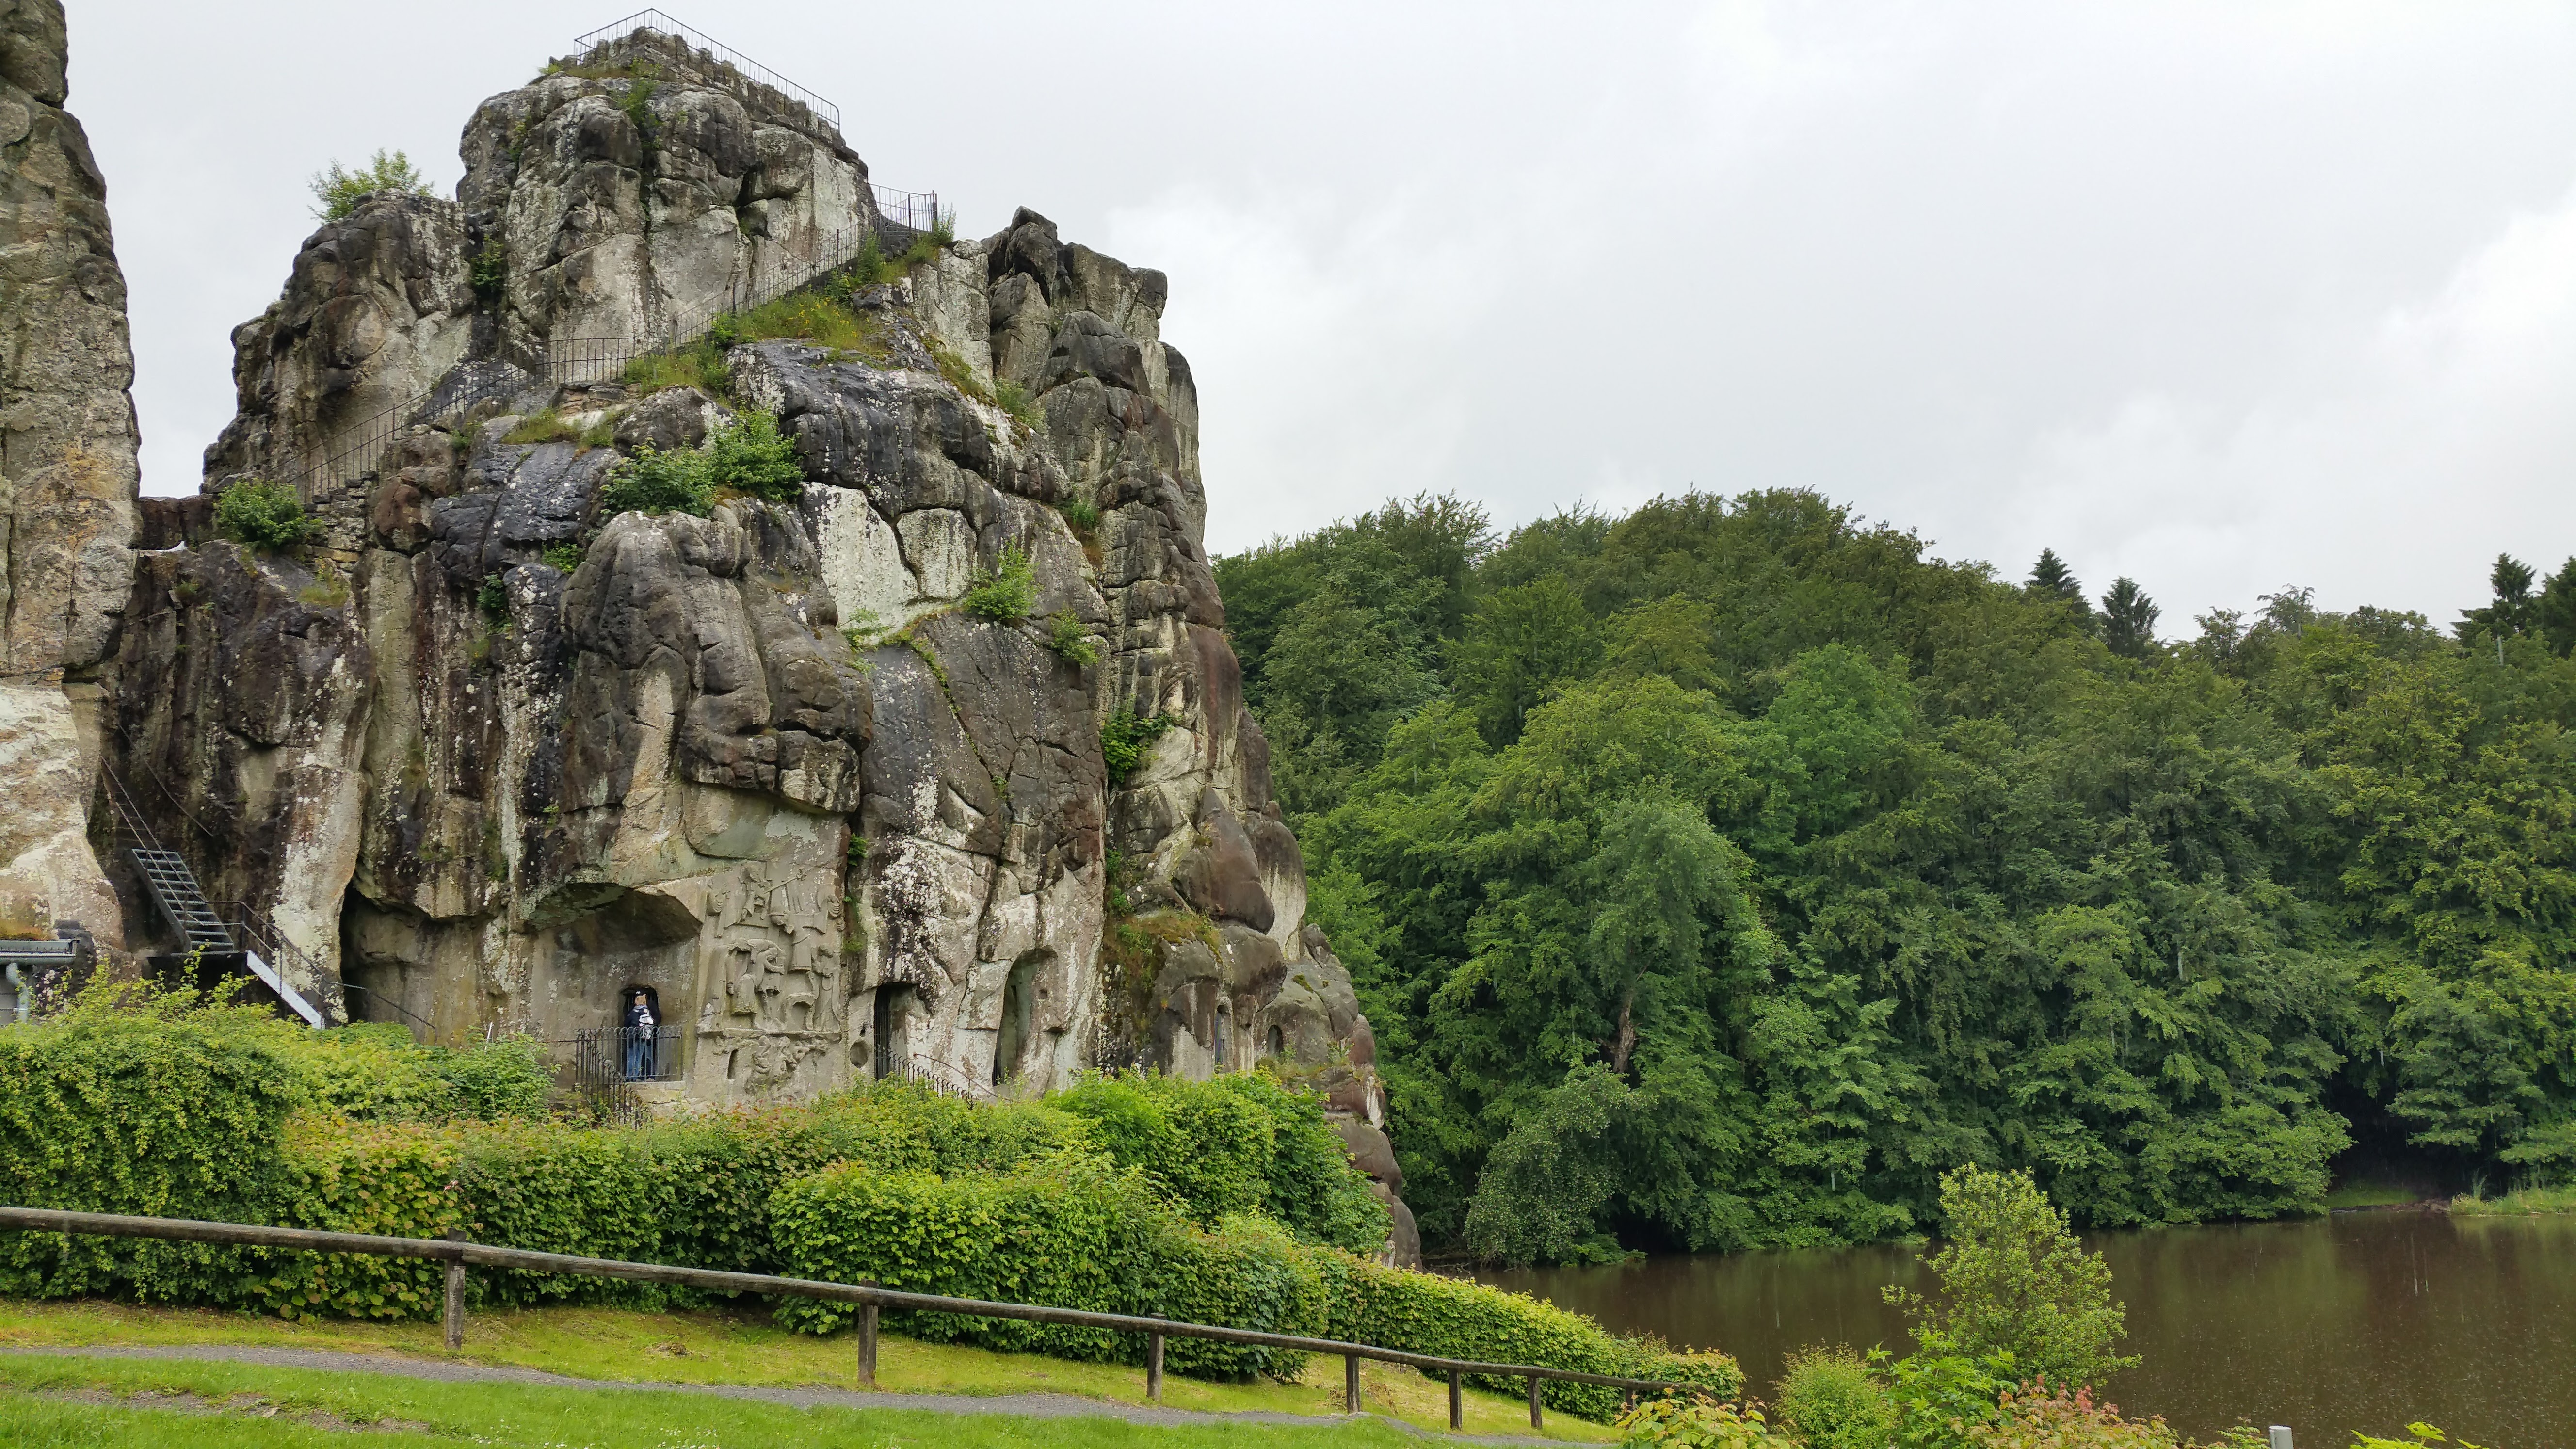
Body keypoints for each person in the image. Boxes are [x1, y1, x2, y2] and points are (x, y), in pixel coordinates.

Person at [622, 988, 657, 1081]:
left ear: (636, 1001)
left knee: (631, 1056)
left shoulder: (634, 1012)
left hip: (633, 1036)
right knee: (639, 1057)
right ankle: (636, 1076)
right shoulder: (647, 1011)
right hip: (644, 1035)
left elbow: (626, 1023)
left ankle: (630, 1077)